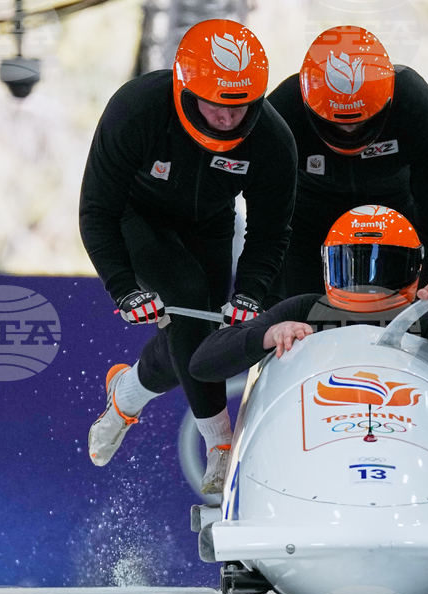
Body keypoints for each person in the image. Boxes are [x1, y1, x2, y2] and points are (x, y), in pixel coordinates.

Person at [79, 20, 297, 494]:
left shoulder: (273, 141)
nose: (227, 117)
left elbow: (271, 232)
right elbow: (96, 210)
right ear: (186, 89)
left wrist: (251, 291)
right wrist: (124, 287)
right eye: (217, 103)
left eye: (240, 106)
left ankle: (127, 395)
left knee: (202, 341)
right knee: (187, 293)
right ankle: (220, 443)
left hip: (210, 224)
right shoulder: (136, 110)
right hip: (135, 215)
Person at [263, 25, 428, 305]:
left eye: (359, 121)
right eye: (337, 122)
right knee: (300, 310)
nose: (350, 129)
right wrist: (263, 295)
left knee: (401, 311)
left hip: (393, 217)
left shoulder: (419, 107)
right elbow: (265, 213)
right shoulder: (282, 112)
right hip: (308, 221)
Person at [190, 205, 428, 384]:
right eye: (354, 265)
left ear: (413, 268)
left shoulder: (421, 312)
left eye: (383, 267)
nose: (366, 282)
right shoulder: (303, 310)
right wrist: (270, 334)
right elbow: (202, 364)